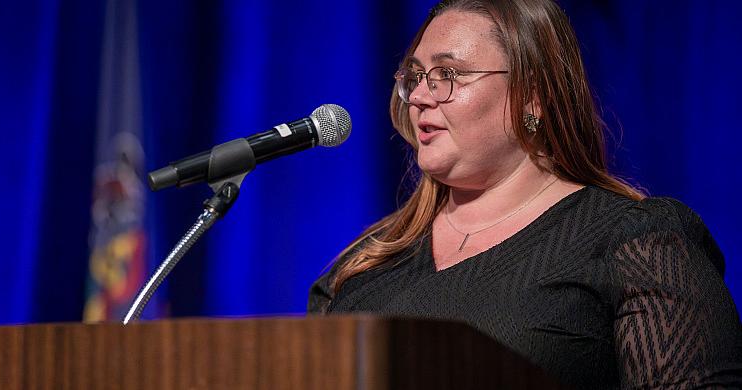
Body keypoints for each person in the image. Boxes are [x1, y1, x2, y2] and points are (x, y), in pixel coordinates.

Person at [307, 0, 742, 387]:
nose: (419, 96)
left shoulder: (635, 241)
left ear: (533, 96)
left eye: (448, 74)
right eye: (416, 76)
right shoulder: (364, 265)